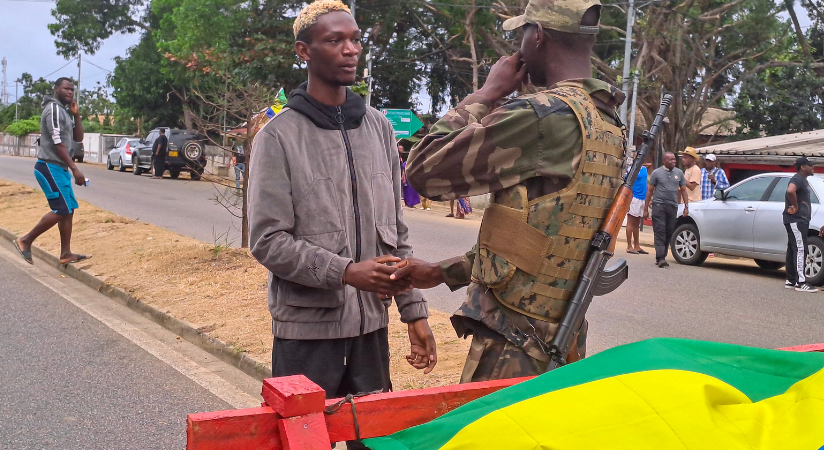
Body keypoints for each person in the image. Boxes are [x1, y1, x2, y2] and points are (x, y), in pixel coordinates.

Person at [391, 0, 626, 382]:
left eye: (522, 34)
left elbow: (421, 172)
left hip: (513, 348)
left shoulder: (540, 115)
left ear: (538, 36)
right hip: (562, 343)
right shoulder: (608, 124)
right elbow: (537, 241)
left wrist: (485, 94)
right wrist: (441, 272)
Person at [247, 3, 437, 444]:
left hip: (372, 328)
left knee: (373, 439)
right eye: (335, 41)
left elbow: (396, 230)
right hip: (306, 332)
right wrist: (346, 272)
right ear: (304, 51)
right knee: (301, 441)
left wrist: (413, 312)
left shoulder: (378, 129)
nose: (351, 50)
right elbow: (268, 240)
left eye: (355, 40)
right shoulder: (277, 137)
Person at [13, 78, 88, 266]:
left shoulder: (64, 112)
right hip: (49, 167)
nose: (70, 92)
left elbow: (78, 138)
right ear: (56, 89)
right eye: (66, 88)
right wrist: (75, 169)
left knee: (68, 210)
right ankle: (25, 240)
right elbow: (58, 144)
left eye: (72, 89)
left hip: (58, 169)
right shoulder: (53, 109)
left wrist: (76, 116)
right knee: (61, 209)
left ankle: (65, 253)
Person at [783, 157, 822, 292]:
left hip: (797, 220)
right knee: (801, 248)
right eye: (810, 165)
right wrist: (795, 206)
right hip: (796, 219)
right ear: (803, 167)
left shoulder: (803, 180)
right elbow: (790, 190)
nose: (813, 167)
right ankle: (801, 282)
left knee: (793, 247)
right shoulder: (797, 179)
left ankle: (790, 280)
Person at [644, 152, 688, 268]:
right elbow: (650, 191)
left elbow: (683, 190)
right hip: (659, 205)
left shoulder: (679, 173)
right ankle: (660, 258)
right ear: (664, 161)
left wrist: (686, 207)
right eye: (670, 160)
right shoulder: (656, 173)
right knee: (660, 231)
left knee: (669, 231)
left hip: (673, 206)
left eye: (674, 159)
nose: (673, 161)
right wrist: (645, 209)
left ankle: (662, 255)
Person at [625, 161, 649, 254]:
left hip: (642, 198)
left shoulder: (644, 169)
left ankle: (637, 245)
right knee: (630, 222)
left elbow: (645, 183)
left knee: (637, 223)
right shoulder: (631, 169)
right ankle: (629, 246)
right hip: (634, 197)